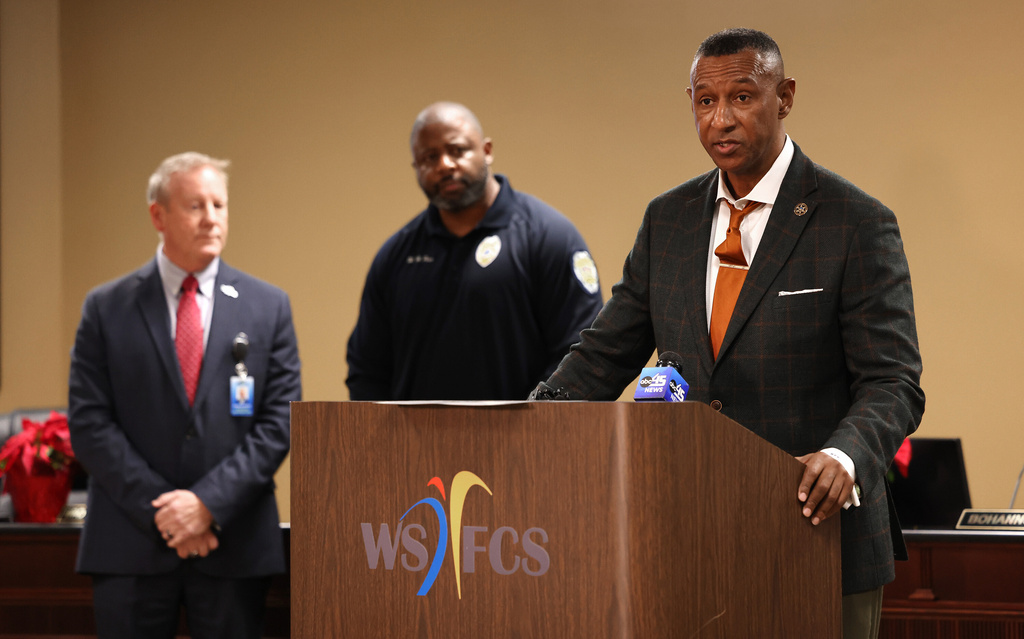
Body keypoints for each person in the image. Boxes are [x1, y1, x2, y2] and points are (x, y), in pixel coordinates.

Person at [532, 29, 924, 639]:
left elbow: (893, 381)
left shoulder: (856, 221)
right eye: (705, 101)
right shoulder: (670, 219)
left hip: (816, 539)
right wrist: (523, 425)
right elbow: (605, 355)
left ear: (785, 96)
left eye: (742, 97)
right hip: (691, 539)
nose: (721, 119)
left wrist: (845, 455)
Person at [68, 152, 301, 639]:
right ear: (159, 215)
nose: (212, 218)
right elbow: (91, 424)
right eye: (196, 206)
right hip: (130, 546)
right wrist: (169, 512)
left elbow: (280, 423)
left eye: (220, 204)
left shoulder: (268, 306)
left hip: (232, 544)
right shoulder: (106, 307)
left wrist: (207, 505)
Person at [346, 102, 604, 400]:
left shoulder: (550, 237)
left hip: (529, 442)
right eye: (429, 158)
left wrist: (536, 431)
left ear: (487, 150)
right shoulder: (395, 256)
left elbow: (579, 356)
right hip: (416, 445)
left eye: (457, 150)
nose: (445, 164)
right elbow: (367, 370)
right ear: (416, 168)